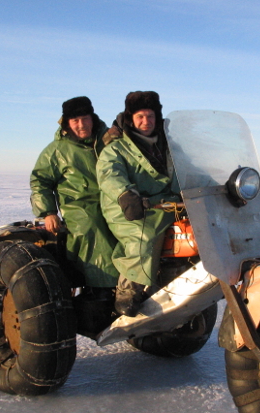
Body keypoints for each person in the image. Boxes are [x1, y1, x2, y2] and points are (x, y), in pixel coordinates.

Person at [96, 91, 181, 317]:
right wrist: (125, 194)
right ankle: (128, 289)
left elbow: (188, 168)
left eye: (150, 116)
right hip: (129, 206)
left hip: (166, 203)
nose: (146, 122)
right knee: (143, 235)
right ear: (130, 118)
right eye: (140, 116)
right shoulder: (117, 147)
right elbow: (109, 173)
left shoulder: (168, 145)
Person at [30, 96, 119, 294]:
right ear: (67, 123)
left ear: (92, 118)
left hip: (114, 201)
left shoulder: (108, 140)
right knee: (93, 230)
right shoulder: (57, 150)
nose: (81, 125)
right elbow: (40, 180)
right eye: (75, 121)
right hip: (80, 207)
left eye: (85, 119)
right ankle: (103, 291)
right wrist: (48, 212)